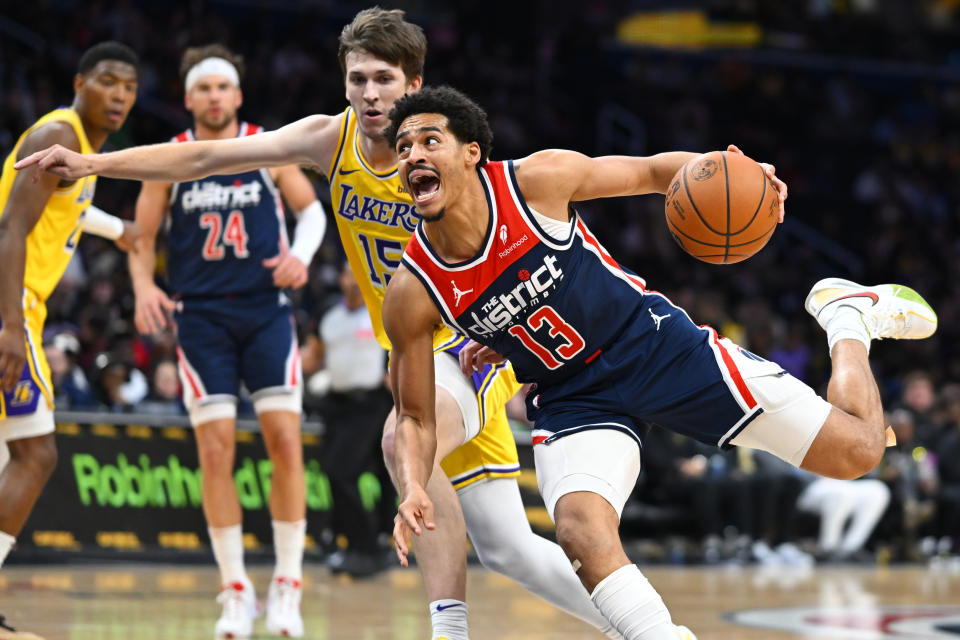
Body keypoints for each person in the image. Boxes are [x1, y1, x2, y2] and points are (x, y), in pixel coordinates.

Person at [13, 10, 623, 640]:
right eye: (357, 78)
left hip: (465, 345)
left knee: (402, 438)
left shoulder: (452, 156)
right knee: (508, 549)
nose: (370, 93)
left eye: (384, 79)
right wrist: (93, 166)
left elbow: (516, 238)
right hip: (409, 356)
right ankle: (641, 625)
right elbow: (204, 156)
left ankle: (448, 627)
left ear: (415, 82)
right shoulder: (328, 140)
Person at [377, 86, 936, 639]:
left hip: (652, 345)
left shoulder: (535, 182)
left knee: (860, 452)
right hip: (573, 396)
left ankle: (846, 320)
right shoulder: (413, 289)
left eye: (430, 140)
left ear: (472, 153)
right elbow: (415, 418)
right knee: (578, 528)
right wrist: (415, 486)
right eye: (403, 148)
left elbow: (649, 172)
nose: (414, 156)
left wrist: (727, 169)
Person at [127, 44, 324, 639]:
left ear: (237, 96)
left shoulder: (267, 147)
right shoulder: (174, 156)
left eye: (223, 87)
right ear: (189, 99)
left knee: (285, 443)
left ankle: (288, 584)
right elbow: (141, 232)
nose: (214, 96)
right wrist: (141, 286)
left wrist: (301, 256)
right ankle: (235, 588)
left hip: (265, 312)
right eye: (203, 88)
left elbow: (311, 212)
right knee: (215, 452)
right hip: (202, 318)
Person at [0, 41, 141, 640]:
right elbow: (11, 229)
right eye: (108, 81)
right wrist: (9, 326)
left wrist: (121, 231)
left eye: (131, 88)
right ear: (80, 82)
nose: (120, 95)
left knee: (12, 457)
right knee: (37, 453)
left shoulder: (75, 154)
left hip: (19, 309)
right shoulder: (55, 132)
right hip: (12, 310)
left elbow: (69, 207)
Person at [302, 263, 394, 576]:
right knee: (337, 471)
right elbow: (313, 356)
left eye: (358, 274)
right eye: (347, 274)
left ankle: (369, 546)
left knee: (346, 470)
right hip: (336, 403)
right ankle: (353, 545)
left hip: (371, 402)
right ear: (340, 279)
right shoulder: (329, 315)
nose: (353, 280)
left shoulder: (381, 310)